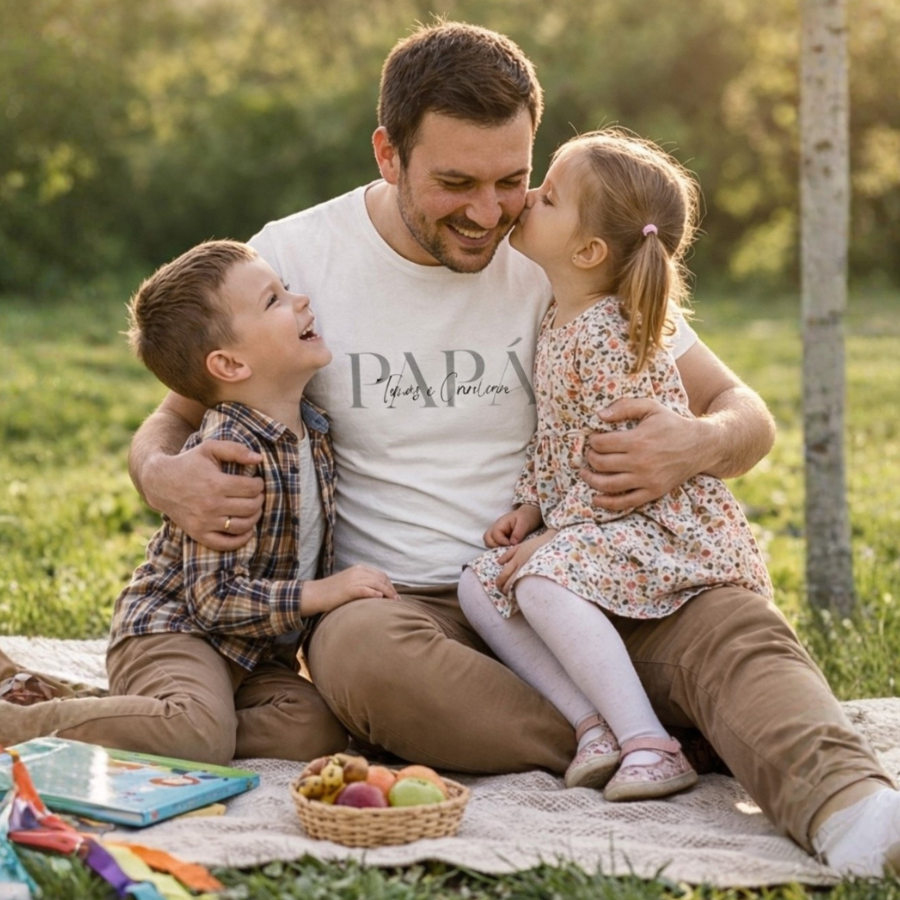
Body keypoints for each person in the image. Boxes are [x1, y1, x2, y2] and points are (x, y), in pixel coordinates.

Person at [125, 20, 900, 875]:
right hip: (413, 610)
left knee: (730, 625)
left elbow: (743, 410)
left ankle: (852, 812)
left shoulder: (562, 245)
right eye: (455, 182)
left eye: (513, 180)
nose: (490, 212)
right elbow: (173, 416)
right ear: (388, 153)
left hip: (590, 573)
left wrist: (697, 442)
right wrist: (162, 475)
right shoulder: (296, 258)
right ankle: (657, 729)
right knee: (357, 655)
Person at [458, 128, 774, 803]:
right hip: (595, 518)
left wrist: (554, 538)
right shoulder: (560, 319)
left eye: (545, 197)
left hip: (656, 522)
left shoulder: (606, 333)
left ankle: (648, 743)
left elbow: (620, 466)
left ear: (589, 250)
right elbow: (561, 441)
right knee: (480, 584)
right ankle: (593, 724)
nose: (525, 201)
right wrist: (533, 509)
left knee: (539, 581)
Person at [0, 239, 398, 765]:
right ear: (230, 364)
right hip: (174, 633)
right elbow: (212, 600)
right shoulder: (228, 454)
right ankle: (16, 726)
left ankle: (144, 717)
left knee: (313, 731)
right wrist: (322, 594)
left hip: (250, 655)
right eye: (274, 301)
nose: (302, 301)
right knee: (198, 736)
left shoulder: (313, 433)